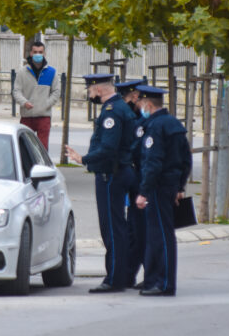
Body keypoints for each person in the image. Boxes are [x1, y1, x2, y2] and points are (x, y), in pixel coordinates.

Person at [65, 73, 136, 293]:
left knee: (112, 229)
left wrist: (83, 159)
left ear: (98, 89)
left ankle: (115, 279)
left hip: (110, 176)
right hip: (120, 172)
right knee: (119, 227)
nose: (89, 94)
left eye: (89, 90)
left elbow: (108, 148)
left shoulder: (111, 112)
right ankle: (123, 276)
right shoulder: (120, 108)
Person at [135, 85, 192, 296]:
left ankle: (165, 283)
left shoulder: (156, 127)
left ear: (148, 104)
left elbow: (153, 163)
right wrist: (180, 186)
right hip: (169, 186)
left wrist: (144, 192)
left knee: (161, 236)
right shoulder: (173, 123)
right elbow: (186, 159)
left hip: (158, 188)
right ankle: (152, 280)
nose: (140, 108)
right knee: (157, 235)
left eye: (141, 104)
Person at [113, 79, 147, 289]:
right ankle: (128, 275)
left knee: (142, 232)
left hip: (144, 183)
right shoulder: (130, 116)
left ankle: (151, 274)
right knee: (134, 232)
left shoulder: (143, 120)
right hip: (135, 181)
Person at [12, 41, 61, 150]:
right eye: (35, 52)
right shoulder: (22, 72)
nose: (38, 54)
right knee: (24, 148)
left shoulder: (52, 72)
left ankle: (42, 167)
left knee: (42, 148)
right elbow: (16, 91)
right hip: (26, 116)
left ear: (44, 54)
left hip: (44, 116)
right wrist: (24, 102)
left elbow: (56, 92)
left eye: (40, 52)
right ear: (30, 53)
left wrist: (46, 104)